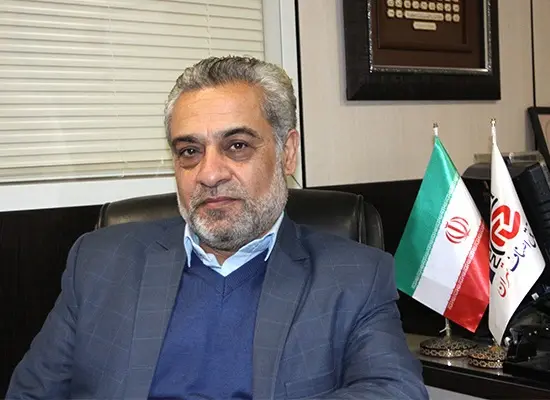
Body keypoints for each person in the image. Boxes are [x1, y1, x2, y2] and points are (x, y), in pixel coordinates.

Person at [6, 56, 428, 400]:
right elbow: (30, 393)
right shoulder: (100, 261)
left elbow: (395, 389)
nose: (209, 174)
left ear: (287, 153)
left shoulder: (353, 275)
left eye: (237, 146)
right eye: (190, 151)